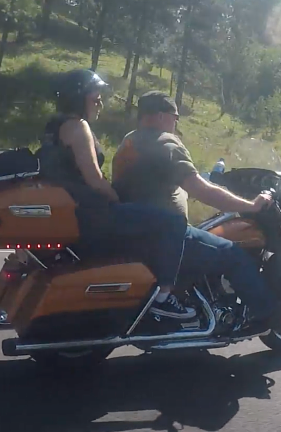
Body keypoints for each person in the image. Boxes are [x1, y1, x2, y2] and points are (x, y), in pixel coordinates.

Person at [111, 90, 281, 333]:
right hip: (165, 235)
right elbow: (201, 190)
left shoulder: (130, 141)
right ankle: (270, 317)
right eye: (175, 116)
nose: (176, 122)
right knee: (233, 254)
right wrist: (251, 205)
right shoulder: (166, 143)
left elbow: (158, 179)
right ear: (161, 116)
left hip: (135, 228)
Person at [38, 70, 197, 319]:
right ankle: (164, 296)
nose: (100, 102)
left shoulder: (53, 126)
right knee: (172, 222)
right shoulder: (78, 127)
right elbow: (95, 180)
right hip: (91, 212)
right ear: (79, 98)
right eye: (95, 96)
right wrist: (117, 198)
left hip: (72, 209)